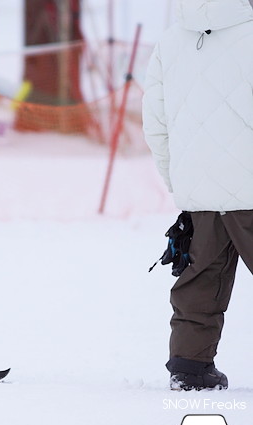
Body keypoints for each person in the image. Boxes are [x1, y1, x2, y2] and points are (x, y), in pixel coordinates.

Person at [142, 0, 253, 391]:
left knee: (200, 280)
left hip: (199, 190)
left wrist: (180, 181)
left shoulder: (170, 41)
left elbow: (155, 122)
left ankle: (190, 367)